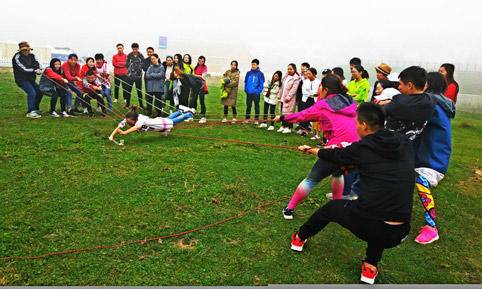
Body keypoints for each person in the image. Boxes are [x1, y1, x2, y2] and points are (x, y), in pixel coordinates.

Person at [290, 103, 414, 285]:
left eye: (356, 122)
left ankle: (299, 238)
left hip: (373, 226)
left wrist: (310, 149)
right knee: (380, 210)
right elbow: (380, 166)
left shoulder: (364, 148)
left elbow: (336, 155)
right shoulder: (404, 143)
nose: (355, 125)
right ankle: (370, 266)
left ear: (364, 124)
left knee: (332, 208)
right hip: (401, 231)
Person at [274, 74, 359, 219]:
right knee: (337, 173)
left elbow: (303, 115)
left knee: (311, 179)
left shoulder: (324, 105)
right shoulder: (350, 102)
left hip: (337, 148)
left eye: (320, 86)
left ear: (325, 89)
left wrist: (283, 117)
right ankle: (337, 208)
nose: (318, 88)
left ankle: (288, 209)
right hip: (354, 149)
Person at [413, 72, 455, 245]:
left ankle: (432, 227)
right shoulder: (439, 101)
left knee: (422, 182)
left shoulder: (430, 102)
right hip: (431, 152)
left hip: (432, 156)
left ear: (426, 85)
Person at [384, 66, 435, 141]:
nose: (399, 87)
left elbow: (378, 113)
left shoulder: (399, 102)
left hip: (390, 146)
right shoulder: (430, 101)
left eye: (400, 84)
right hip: (410, 147)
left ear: (410, 85)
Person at [109, 105, 196, 141]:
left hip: (159, 125)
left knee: (173, 121)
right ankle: (180, 111)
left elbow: (135, 128)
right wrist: (112, 135)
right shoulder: (135, 116)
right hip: (158, 121)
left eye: (128, 121)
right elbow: (119, 125)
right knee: (169, 118)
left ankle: (188, 113)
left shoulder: (140, 122)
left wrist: (124, 132)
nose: (127, 122)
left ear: (132, 120)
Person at [12, 41, 43, 118]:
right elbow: (23, 69)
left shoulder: (32, 56)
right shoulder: (17, 57)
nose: (27, 51)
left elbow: (37, 64)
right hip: (21, 80)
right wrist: (34, 70)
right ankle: (30, 112)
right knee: (32, 92)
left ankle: (35, 109)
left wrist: (39, 69)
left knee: (39, 91)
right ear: (21, 50)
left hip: (31, 79)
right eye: (25, 50)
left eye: (28, 49)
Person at [277, 63, 301, 134]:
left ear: (294, 69)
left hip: (290, 99)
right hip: (283, 97)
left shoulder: (296, 78)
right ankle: (283, 126)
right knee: (283, 112)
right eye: (288, 69)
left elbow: (294, 89)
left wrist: (289, 97)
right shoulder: (285, 76)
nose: (289, 70)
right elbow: (282, 87)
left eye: (291, 69)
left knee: (289, 113)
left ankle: (289, 127)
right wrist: (279, 95)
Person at [298, 67, 321, 133]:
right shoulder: (305, 81)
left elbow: (317, 92)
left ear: (314, 74)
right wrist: (312, 93)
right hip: (306, 99)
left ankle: (314, 130)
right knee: (305, 113)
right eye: (307, 74)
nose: (308, 75)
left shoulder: (319, 81)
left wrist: (311, 92)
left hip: (315, 100)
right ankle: (304, 129)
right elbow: (304, 91)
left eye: (309, 74)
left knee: (313, 114)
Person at [244, 59, 265, 124]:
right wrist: (246, 89)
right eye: (252, 64)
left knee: (256, 106)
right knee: (248, 106)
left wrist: (257, 91)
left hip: (256, 93)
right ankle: (247, 118)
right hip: (249, 93)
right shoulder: (248, 73)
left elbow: (261, 84)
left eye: (254, 64)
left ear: (257, 65)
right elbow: (246, 81)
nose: (253, 66)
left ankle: (256, 119)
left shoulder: (260, 74)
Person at [125, 43, 145, 109]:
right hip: (130, 77)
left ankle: (141, 105)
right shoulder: (129, 55)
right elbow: (126, 64)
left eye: (136, 49)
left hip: (138, 77)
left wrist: (138, 69)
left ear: (138, 48)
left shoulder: (141, 55)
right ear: (132, 49)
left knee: (139, 91)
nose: (135, 50)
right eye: (133, 49)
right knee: (128, 91)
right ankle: (127, 105)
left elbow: (143, 64)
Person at [193, 56, 208, 123]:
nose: (201, 62)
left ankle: (203, 115)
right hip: (195, 86)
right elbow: (194, 75)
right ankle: (194, 112)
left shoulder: (205, 67)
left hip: (202, 86)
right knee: (194, 99)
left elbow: (203, 77)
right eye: (199, 61)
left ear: (204, 61)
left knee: (201, 100)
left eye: (202, 61)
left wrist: (197, 76)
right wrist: (197, 76)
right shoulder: (196, 67)